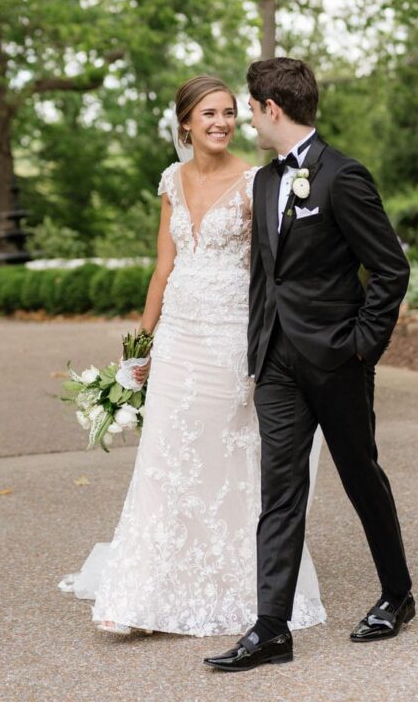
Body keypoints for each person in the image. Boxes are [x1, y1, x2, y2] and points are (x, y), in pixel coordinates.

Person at [59, 74, 325, 637]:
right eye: (209, 114)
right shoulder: (172, 182)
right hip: (178, 336)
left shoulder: (259, 183)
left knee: (228, 459)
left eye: (230, 113)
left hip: (230, 339)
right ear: (185, 123)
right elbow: (163, 267)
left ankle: (241, 586)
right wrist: (139, 346)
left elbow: (272, 272)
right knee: (162, 456)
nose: (222, 123)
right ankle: (140, 594)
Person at [205, 57, 413, 672]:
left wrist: (360, 345)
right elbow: (266, 279)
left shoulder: (342, 177)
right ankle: (272, 629)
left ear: (273, 109)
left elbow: (391, 269)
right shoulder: (267, 182)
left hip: (337, 361)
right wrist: (257, 350)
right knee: (281, 491)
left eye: (250, 106)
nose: (245, 117)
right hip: (277, 365)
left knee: (359, 475)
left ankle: (397, 595)